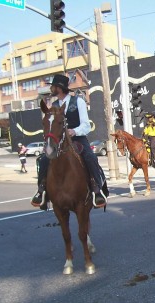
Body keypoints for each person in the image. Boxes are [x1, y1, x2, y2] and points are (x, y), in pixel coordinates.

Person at [31, 74, 107, 208]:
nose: (52, 88)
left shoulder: (78, 101)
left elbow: (86, 125)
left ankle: (97, 190)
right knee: (43, 160)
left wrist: (74, 131)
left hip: (77, 138)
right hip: (58, 141)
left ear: (59, 88)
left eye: (53, 86)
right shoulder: (53, 105)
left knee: (90, 157)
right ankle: (41, 190)